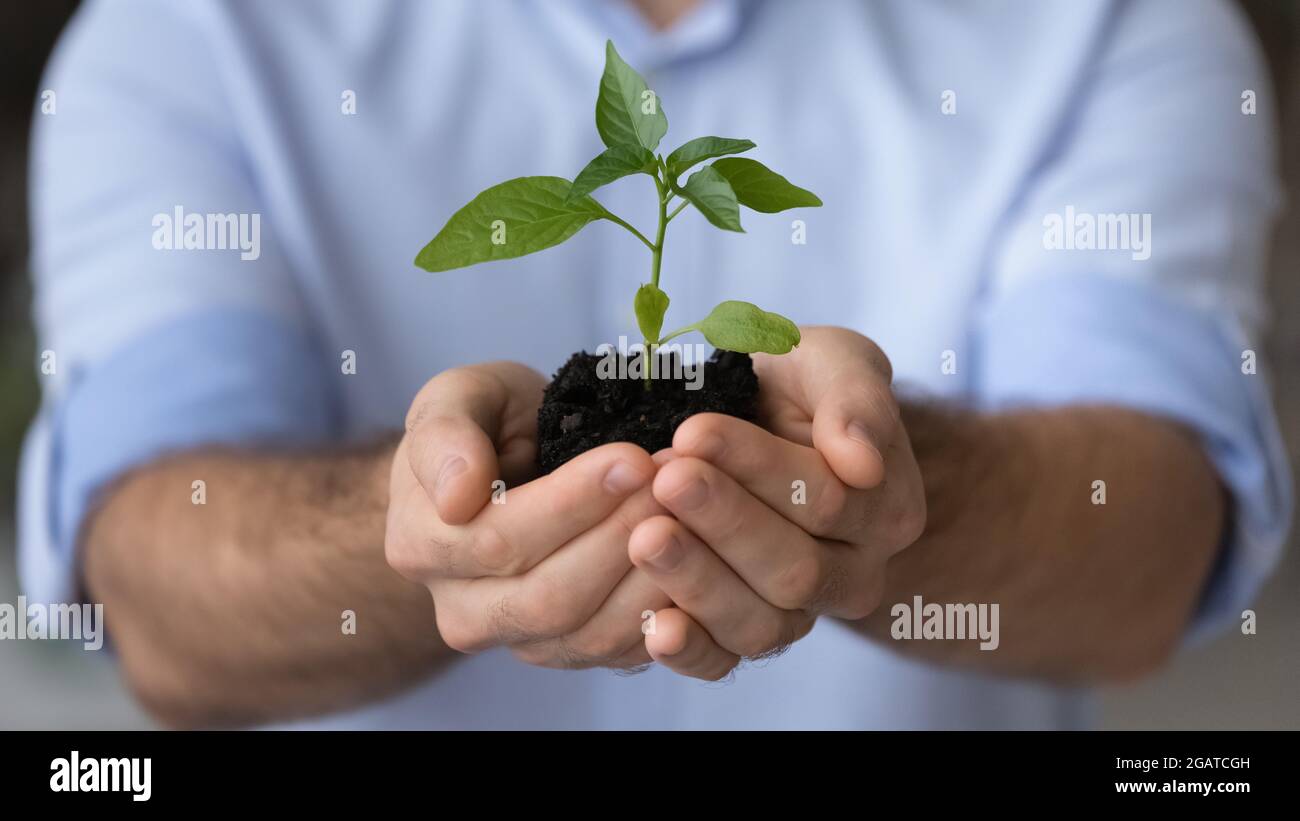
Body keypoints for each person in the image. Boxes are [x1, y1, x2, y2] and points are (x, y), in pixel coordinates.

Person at [20, 0, 1291, 729]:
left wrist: (875, 486)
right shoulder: (183, 34)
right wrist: (431, 521)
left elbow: (1152, 544)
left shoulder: (1115, 25)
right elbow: (153, 582)